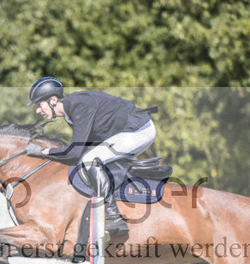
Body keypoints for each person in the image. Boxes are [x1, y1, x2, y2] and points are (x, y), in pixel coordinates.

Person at [23, 76, 156, 238]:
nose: (38, 110)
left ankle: (113, 215)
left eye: (39, 104)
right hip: (131, 130)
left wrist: (44, 152)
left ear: (53, 100)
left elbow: (74, 153)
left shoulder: (79, 106)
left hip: (138, 130)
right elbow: (79, 149)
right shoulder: (71, 112)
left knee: (89, 160)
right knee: (92, 157)